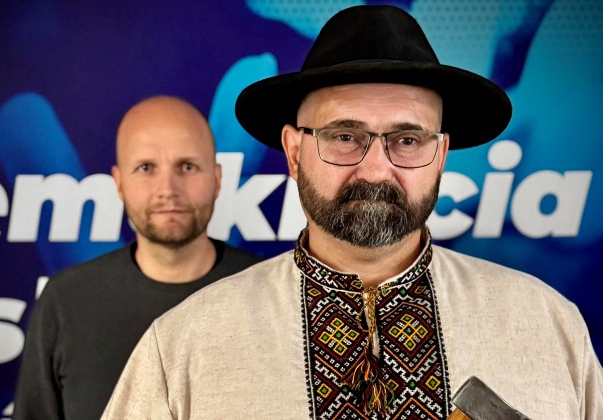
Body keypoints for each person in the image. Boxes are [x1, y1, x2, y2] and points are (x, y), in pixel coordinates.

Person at [101, 7, 603, 420]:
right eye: (345, 136)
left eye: (408, 140)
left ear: (441, 156)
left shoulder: (547, 325)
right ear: (294, 152)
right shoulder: (184, 346)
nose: (376, 169)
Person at [12, 95, 263, 420]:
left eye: (187, 166)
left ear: (217, 179)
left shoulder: (269, 294)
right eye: (146, 168)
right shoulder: (64, 301)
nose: (168, 189)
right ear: (119, 183)